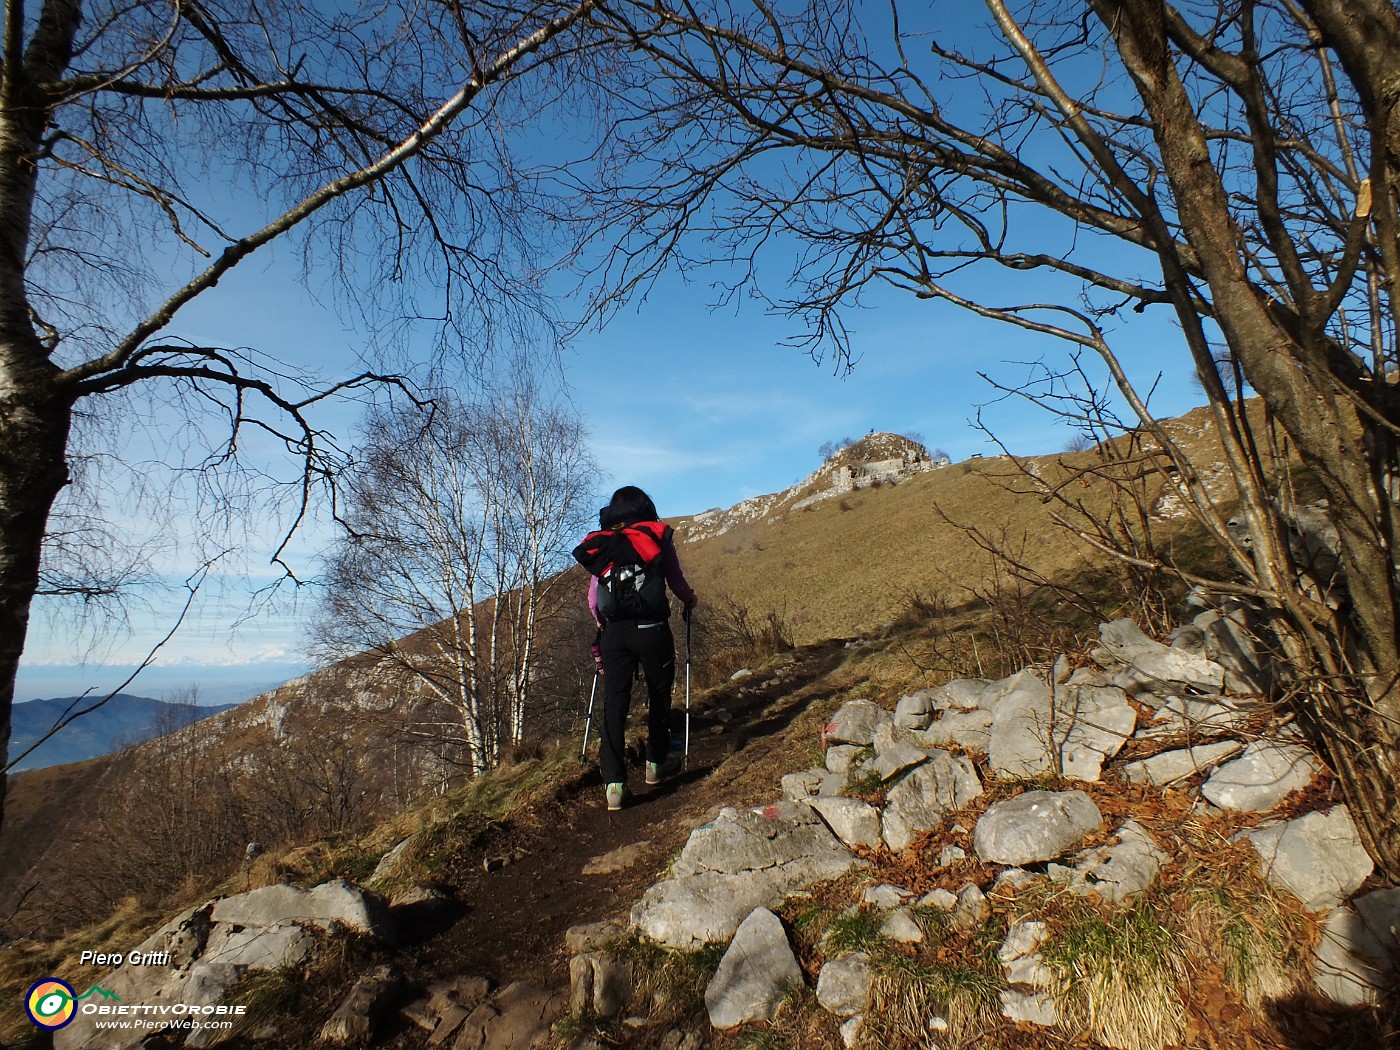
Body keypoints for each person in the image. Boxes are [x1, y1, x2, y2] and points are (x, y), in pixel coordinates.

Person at [581, 486, 697, 811]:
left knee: (615, 704)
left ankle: (614, 785)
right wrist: (690, 600)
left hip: (614, 634)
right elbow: (675, 581)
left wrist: (604, 626)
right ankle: (655, 765)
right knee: (659, 695)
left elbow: (593, 601)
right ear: (645, 508)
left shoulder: (603, 544)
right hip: (652, 630)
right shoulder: (655, 538)